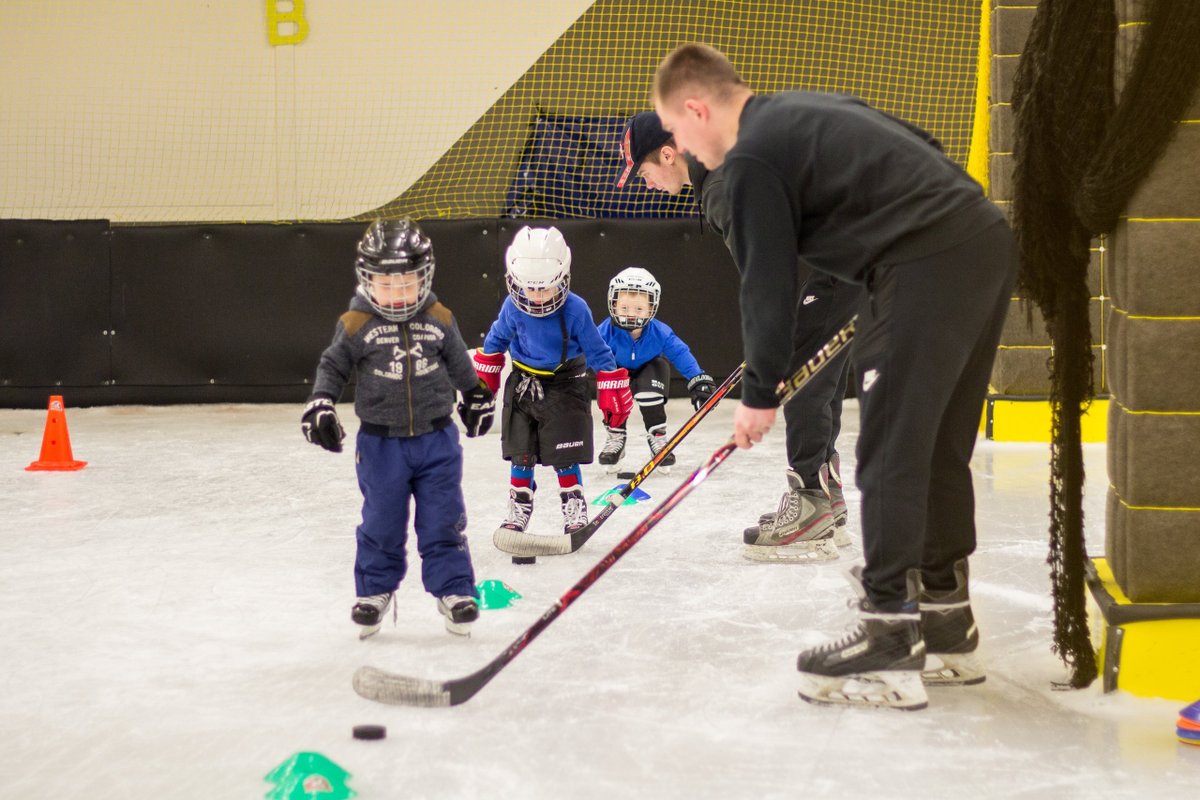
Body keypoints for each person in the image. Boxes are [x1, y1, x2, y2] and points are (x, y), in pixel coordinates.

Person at [652, 44, 1016, 710]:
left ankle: (888, 634)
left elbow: (763, 285)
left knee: (889, 450)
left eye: (676, 132)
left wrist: (760, 392)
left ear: (696, 110)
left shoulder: (752, 157)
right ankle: (946, 621)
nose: (682, 148)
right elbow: (923, 144)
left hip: (924, 261)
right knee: (933, 447)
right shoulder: (798, 112)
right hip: (980, 239)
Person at [618, 110, 861, 560]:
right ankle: (826, 496)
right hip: (856, 245)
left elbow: (764, 272)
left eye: (644, 172)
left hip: (860, 244)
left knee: (802, 372)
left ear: (668, 154)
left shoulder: (722, 186)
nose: (646, 183)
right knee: (818, 368)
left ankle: (810, 503)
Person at [302, 218, 495, 639]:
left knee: (443, 519)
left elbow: (460, 363)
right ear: (367, 281)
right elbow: (333, 366)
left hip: (436, 440)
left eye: (406, 283)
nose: (397, 293)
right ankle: (374, 592)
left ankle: (455, 591)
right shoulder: (355, 323)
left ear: (424, 278)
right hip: (381, 445)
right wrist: (321, 403)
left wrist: (476, 394)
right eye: (386, 285)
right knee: (381, 521)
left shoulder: (440, 317)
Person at [474, 225, 633, 539]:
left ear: (563, 279)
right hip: (523, 384)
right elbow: (494, 343)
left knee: (565, 453)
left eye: (545, 288)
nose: (536, 297)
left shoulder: (576, 310)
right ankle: (519, 507)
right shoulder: (511, 308)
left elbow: (598, 351)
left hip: (566, 385)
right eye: (529, 289)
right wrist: (483, 385)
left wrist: (612, 390)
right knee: (521, 452)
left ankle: (573, 506)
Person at [596, 266, 717, 474]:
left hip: (649, 370)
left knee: (650, 391)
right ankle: (616, 435)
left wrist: (698, 379)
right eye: (625, 308)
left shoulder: (660, 332)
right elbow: (586, 351)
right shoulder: (604, 331)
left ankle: (658, 437)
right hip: (617, 372)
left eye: (638, 309)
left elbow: (680, 353)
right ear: (613, 304)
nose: (631, 315)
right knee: (609, 382)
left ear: (651, 308)